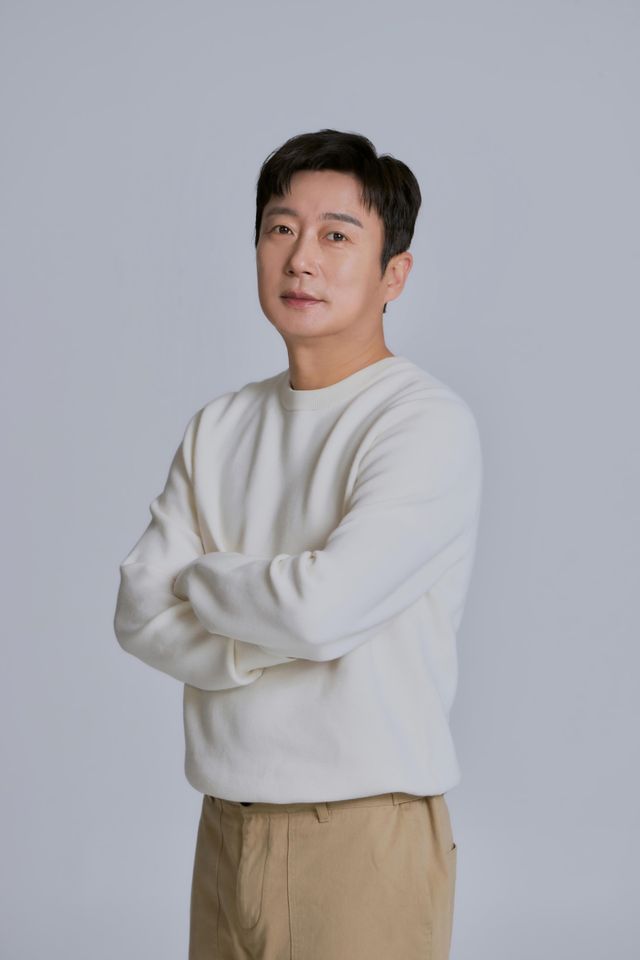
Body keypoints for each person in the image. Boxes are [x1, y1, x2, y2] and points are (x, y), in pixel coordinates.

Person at [113, 128, 483, 960]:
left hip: (363, 834)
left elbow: (320, 611)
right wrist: (266, 625)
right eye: (280, 228)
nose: (301, 258)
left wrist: (200, 577)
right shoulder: (221, 425)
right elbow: (138, 611)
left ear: (395, 274)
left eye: (336, 236)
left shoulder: (422, 424)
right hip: (224, 826)